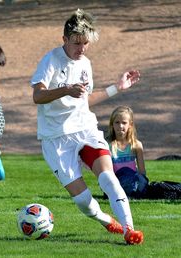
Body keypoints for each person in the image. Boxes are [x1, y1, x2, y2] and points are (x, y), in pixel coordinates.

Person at [30, 9, 143, 245]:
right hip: (56, 137)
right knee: (82, 200)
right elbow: (38, 96)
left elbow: (85, 99)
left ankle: (129, 230)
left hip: (85, 129)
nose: (81, 48)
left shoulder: (86, 63)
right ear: (64, 39)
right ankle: (105, 220)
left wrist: (117, 88)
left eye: (85, 43)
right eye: (76, 42)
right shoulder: (50, 60)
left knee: (109, 179)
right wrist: (66, 89)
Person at [106, 106, 149, 199]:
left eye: (124, 123)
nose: (120, 126)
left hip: (133, 180)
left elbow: (142, 172)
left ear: (130, 124)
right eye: (117, 122)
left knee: (140, 180)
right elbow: (107, 171)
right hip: (116, 181)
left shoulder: (136, 145)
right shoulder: (107, 145)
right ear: (112, 124)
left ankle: (133, 192)